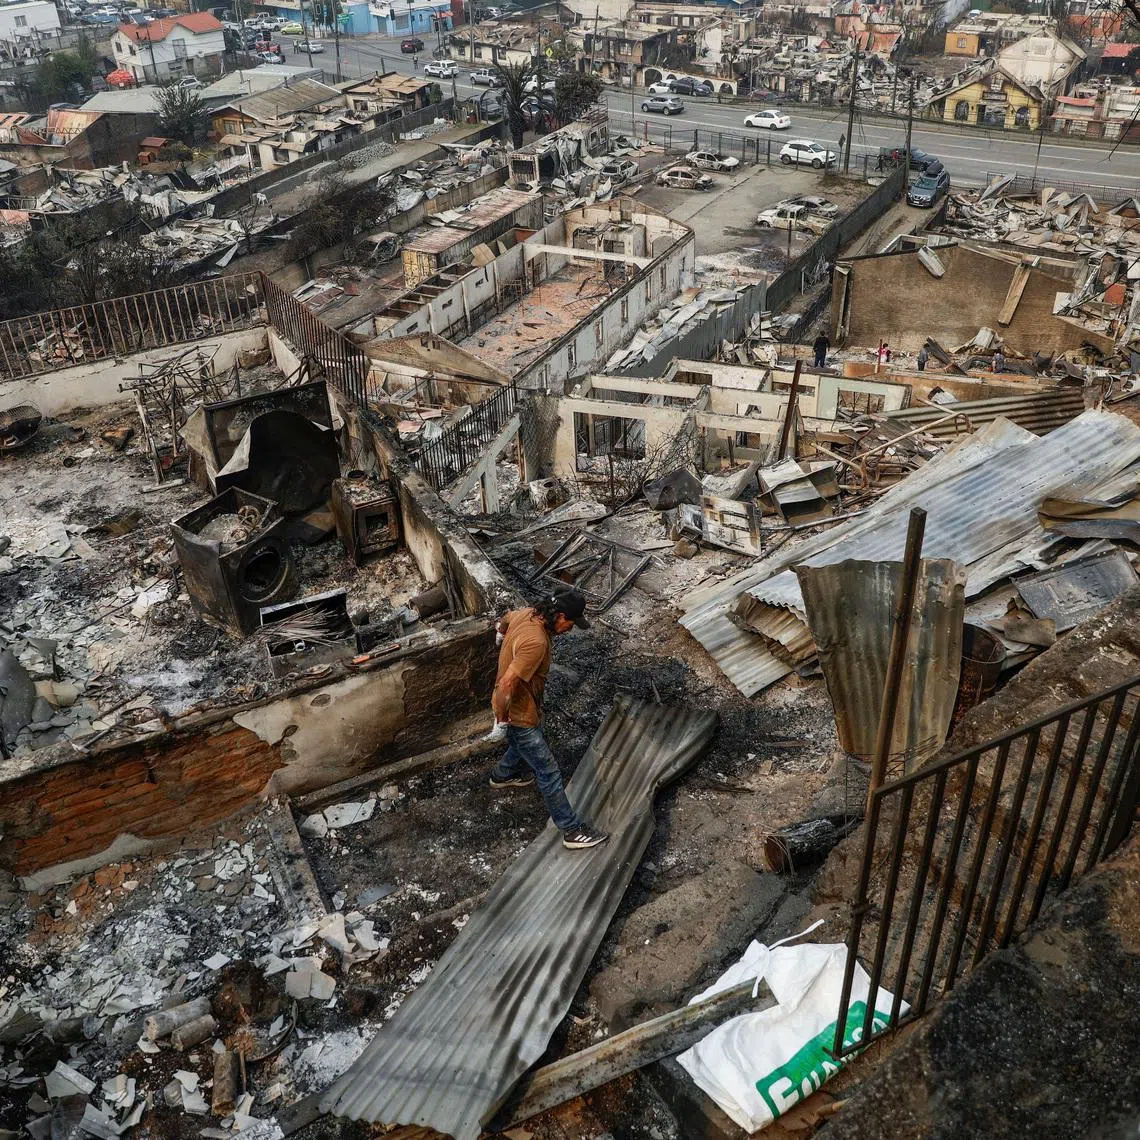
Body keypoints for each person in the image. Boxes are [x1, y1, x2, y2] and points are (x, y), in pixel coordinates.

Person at [489, 587, 609, 851]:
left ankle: (501, 775)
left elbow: (506, 617)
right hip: (517, 713)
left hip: (520, 708)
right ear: (560, 616)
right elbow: (508, 683)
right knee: (548, 771)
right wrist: (501, 718)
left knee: (522, 743)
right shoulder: (537, 642)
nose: (570, 629)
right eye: (570, 623)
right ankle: (571, 830)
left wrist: (500, 632)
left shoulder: (527, 614)